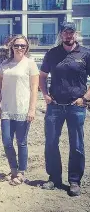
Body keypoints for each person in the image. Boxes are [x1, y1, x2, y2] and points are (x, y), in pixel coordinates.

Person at [39, 22, 90, 197]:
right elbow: (43, 76)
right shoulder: (52, 54)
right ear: (61, 34)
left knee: (76, 145)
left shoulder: (85, 54)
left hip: (76, 107)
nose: (69, 36)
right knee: (51, 143)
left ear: (75, 34)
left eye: (71, 33)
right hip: (55, 106)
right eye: (65, 33)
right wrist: (45, 94)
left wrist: (84, 98)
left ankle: (74, 181)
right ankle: (54, 178)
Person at [0, 35, 39, 186]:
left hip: (23, 108)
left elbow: (34, 88)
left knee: (21, 142)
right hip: (7, 108)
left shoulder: (30, 64)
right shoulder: (5, 64)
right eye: (17, 45)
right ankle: (13, 169)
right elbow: (0, 86)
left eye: (23, 46)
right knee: (7, 141)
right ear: (11, 47)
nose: (19, 48)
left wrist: (32, 109)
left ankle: (21, 172)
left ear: (27, 48)